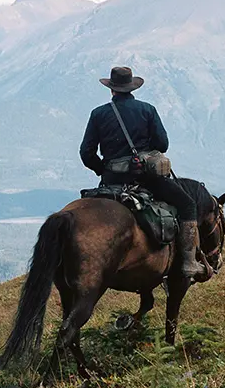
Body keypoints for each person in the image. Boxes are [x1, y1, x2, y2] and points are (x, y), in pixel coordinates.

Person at [79, 66, 206, 281]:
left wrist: (103, 169)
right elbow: (162, 144)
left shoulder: (98, 114)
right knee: (187, 205)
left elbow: (86, 153)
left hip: (110, 181)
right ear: (131, 88)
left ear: (111, 90)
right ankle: (188, 262)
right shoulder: (147, 110)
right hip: (147, 179)